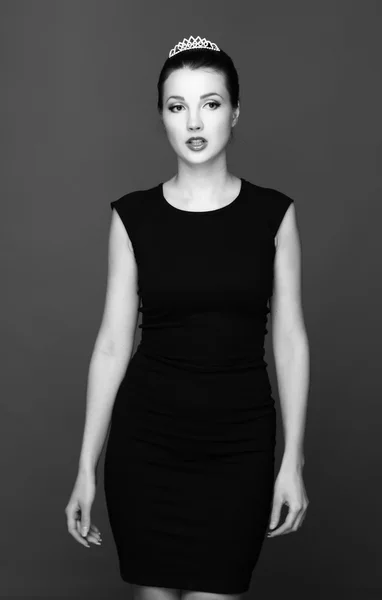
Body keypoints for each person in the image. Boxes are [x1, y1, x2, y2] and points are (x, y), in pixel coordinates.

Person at [65, 35, 310, 600]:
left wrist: (292, 460)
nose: (194, 120)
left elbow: (291, 342)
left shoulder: (274, 215)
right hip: (146, 444)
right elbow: (111, 344)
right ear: (163, 118)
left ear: (235, 113)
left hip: (239, 445)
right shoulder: (132, 217)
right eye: (178, 106)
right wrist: (85, 466)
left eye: (211, 103)